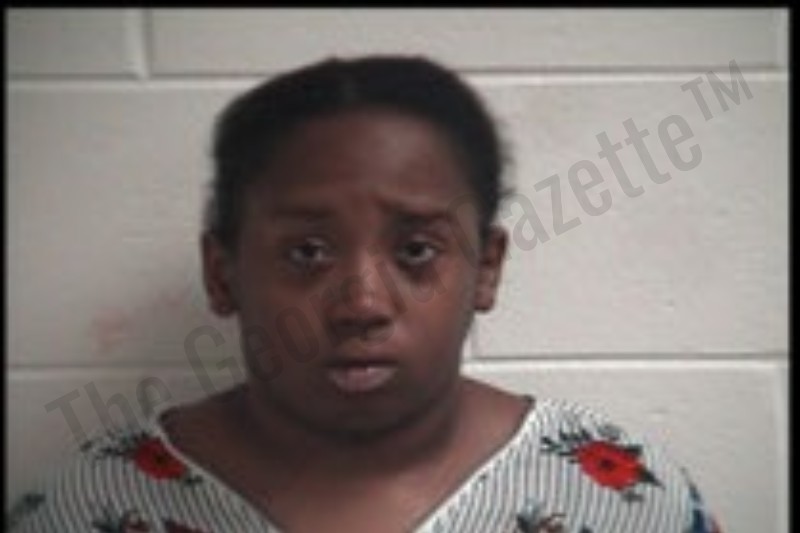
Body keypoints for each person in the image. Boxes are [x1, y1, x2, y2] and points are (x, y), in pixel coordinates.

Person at [7, 55, 721, 533]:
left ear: (486, 269)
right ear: (223, 274)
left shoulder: (622, 499)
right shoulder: (89, 508)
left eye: (416, 251)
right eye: (307, 252)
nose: (362, 305)